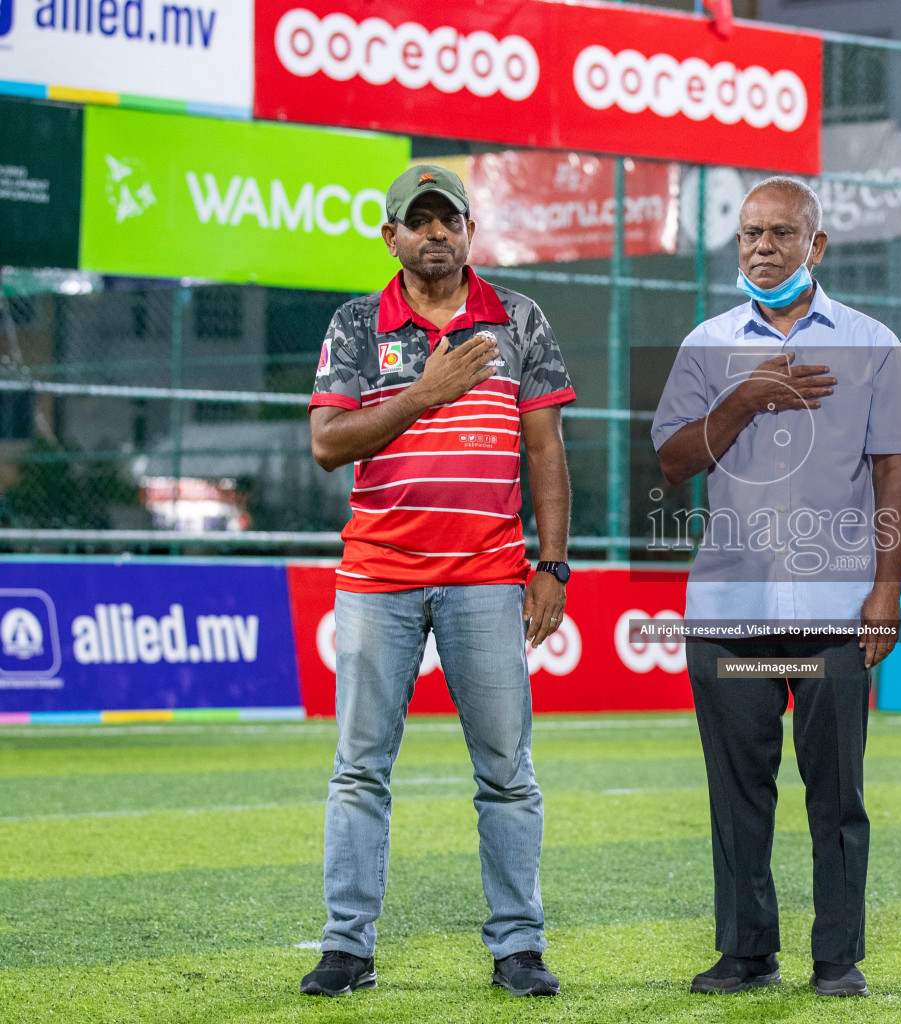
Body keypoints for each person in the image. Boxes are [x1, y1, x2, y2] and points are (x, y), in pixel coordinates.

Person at [301, 165, 576, 999]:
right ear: (390, 236)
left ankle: (518, 948)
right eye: (416, 221)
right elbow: (328, 442)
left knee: (505, 770)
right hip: (378, 576)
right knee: (359, 769)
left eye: (447, 219)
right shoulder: (356, 324)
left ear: (468, 229)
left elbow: (545, 451)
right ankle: (347, 948)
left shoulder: (518, 318)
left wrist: (553, 565)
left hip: (489, 576)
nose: (434, 233)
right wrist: (424, 393)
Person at [651, 177, 901, 999]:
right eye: (748, 234)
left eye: (779, 233)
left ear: (818, 245)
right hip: (729, 615)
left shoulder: (873, 343)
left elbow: (893, 478)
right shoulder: (707, 343)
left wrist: (885, 593)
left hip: (835, 618)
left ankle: (838, 960)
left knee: (838, 795)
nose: (762, 247)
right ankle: (745, 954)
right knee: (738, 794)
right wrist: (744, 397)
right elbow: (673, 461)